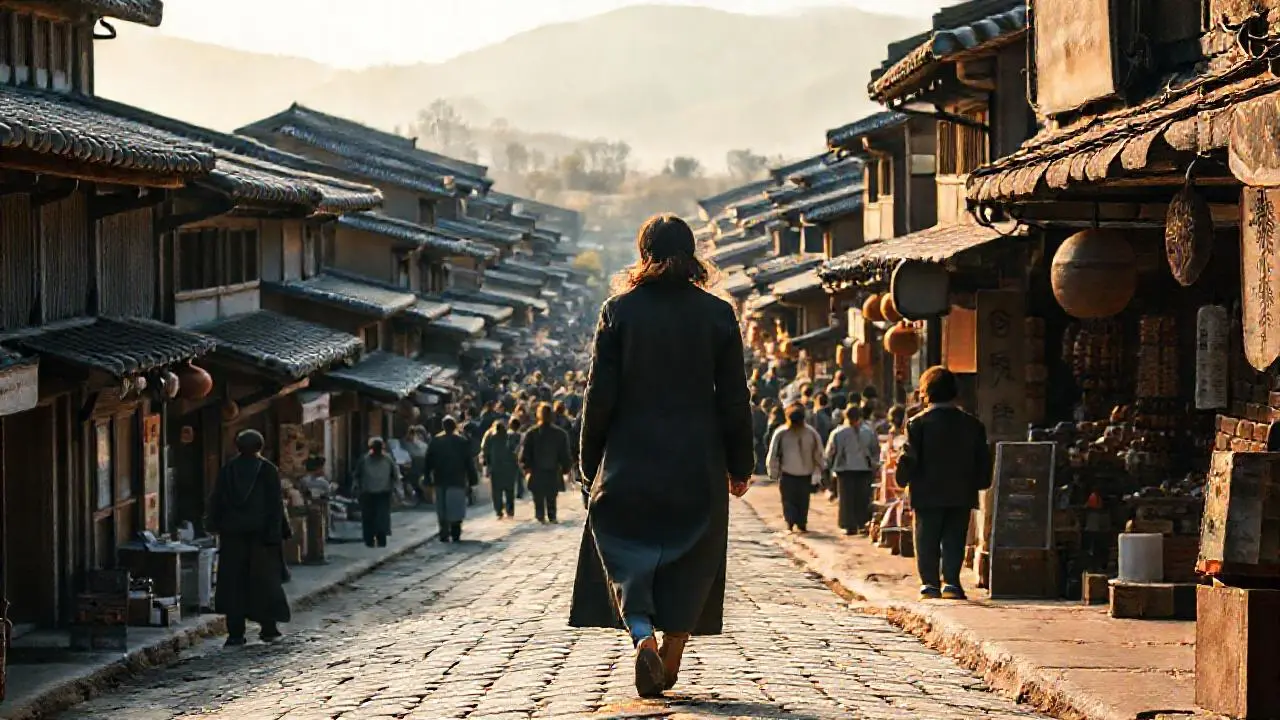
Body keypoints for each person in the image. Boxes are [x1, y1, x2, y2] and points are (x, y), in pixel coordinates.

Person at [569, 214, 755, 699]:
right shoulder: (718, 315)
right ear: (693, 255)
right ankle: (674, 644)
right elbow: (735, 398)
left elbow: (599, 396)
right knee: (694, 556)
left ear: (642, 253)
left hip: (629, 456)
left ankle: (641, 633)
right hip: (698, 460)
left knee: (623, 550)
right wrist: (741, 464)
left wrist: (589, 462)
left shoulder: (618, 311)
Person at [896, 366, 991, 601]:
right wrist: (979, 483)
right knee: (954, 538)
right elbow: (983, 460)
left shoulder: (917, 424)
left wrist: (902, 478)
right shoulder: (972, 425)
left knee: (926, 538)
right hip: (961, 492)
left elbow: (910, 457)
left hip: (926, 493)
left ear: (926, 392)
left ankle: (929, 584)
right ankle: (951, 582)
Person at [207, 430, 291, 646]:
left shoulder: (228, 470)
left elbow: (217, 499)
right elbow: (275, 504)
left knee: (234, 584)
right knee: (265, 583)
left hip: (233, 536)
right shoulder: (267, 470)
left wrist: (214, 524)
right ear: (259, 447)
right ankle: (268, 628)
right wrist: (280, 532)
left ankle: (235, 633)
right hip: (262, 537)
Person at [766, 403, 825, 533]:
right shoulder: (782, 433)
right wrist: (773, 471)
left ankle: (800, 522)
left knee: (801, 500)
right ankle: (792, 521)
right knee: (791, 500)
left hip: (803, 473)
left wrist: (819, 470)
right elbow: (773, 454)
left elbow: (818, 453)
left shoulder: (810, 433)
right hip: (788, 473)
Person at [826, 403, 880, 535]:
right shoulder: (868, 432)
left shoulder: (838, 433)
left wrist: (830, 467)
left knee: (847, 499)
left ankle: (849, 525)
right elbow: (875, 450)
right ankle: (862, 523)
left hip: (845, 469)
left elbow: (830, 452)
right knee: (862, 498)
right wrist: (874, 464)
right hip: (863, 468)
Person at [424, 415, 479, 542]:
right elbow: (468, 462)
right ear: (455, 426)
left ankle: (443, 532)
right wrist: (472, 479)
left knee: (442, 507)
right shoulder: (461, 441)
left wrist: (427, 477)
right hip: (457, 479)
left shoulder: (435, 441)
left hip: (440, 479)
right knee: (455, 507)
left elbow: (428, 462)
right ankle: (455, 532)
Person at [520, 403, 572, 524]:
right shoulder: (560, 434)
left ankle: (540, 517)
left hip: (536, 471)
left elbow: (525, 454)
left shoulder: (531, 433)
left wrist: (526, 468)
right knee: (551, 496)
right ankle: (552, 516)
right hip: (553, 470)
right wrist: (566, 468)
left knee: (538, 497)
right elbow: (564, 455)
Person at [353, 437, 400, 548]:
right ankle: (369, 540)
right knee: (368, 517)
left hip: (383, 492)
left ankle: (381, 539)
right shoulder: (364, 460)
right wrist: (356, 487)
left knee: (382, 518)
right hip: (368, 492)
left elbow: (395, 475)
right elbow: (357, 475)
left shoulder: (388, 459)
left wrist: (396, 489)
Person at [481, 420, 521, 519]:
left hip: (495, 467)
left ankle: (499, 511)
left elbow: (484, 450)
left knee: (496, 491)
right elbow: (516, 450)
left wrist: (486, 464)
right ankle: (510, 511)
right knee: (509, 491)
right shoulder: (510, 436)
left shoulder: (489, 436)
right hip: (509, 467)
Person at [403, 425, 430, 506]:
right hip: (413, 467)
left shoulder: (419, 444)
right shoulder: (406, 443)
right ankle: (418, 495)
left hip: (416, 467)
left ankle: (419, 496)